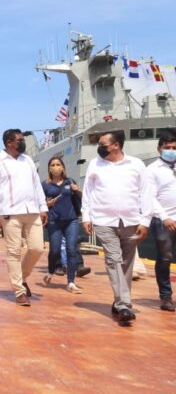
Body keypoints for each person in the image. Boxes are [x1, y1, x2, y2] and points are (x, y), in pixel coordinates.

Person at [82, 130, 152, 326]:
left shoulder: (136, 165)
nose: (100, 147)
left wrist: (145, 220)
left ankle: (119, 301)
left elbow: (146, 193)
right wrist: (86, 217)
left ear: (116, 145)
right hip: (104, 220)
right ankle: (124, 304)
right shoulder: (95, 164)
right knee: (114, 259)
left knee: (127, 263)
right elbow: (87, 192)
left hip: (131, 220)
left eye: (103, 144)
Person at [0, 129, 48, 306]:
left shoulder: (27, 160)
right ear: (9, 142)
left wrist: (43, 207)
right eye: (19, 140)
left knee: (37, 248)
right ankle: (19, 291)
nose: (23, 142)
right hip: (10, 212)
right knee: (13, 251)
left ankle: (22, 276)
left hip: (32, 210)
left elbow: (36, 185)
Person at [41, 157, 83, 294]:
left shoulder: (69, 182)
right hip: (54, 221)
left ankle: (71, 282)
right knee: (55, 250)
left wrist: (78, 190)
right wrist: (48, 204)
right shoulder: (45, 185)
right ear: (49, 168)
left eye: (58, 164)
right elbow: (39, 203)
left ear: (63, 167)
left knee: (71, 249)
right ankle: (50, 271)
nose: (55, 167)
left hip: (71, 220)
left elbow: (83, 197)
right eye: (52, 165)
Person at [147, 131, 176, 312]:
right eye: (167, 148)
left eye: (174, 148)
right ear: (159, 149)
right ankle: (166, 296)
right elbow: (150, 197)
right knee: (165, 257)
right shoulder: (152, 170)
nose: (171, 151)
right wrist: (165, 217)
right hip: (163, 221)